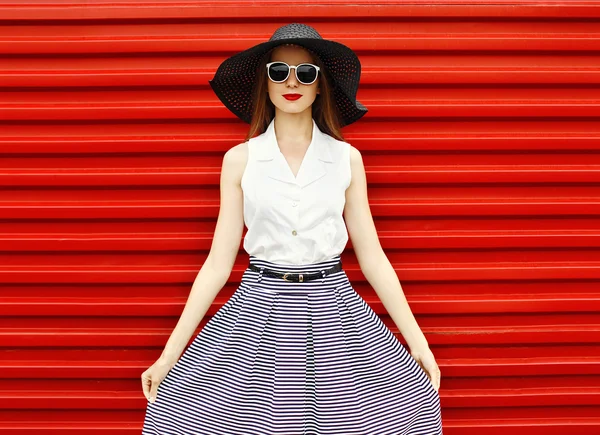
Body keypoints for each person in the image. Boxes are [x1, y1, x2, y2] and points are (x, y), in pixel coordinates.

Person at [141, 23, 443, 434]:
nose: (291, 82)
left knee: (377, 413)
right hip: (257, 310)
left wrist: (419, 343)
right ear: (265, 85)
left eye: (306, 73)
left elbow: (372, 257)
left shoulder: (345, 159)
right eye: (278, 72)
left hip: (335, 310)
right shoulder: (240, 160)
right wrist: (169, 354)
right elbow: (217, 263)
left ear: (321, 86)